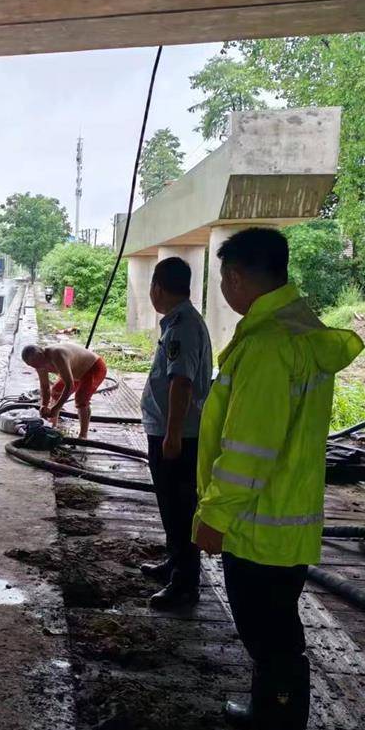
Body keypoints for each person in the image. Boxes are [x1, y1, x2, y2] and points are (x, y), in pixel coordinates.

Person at [192, 227, 362, 730]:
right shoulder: (297, 328)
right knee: (275, 631)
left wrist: (214, 514)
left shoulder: (267, 345)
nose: (224, 288)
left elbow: (248, 448)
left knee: (272, 639)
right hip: (283, 514)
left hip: (257, 520)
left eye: (223, 278)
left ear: (238, 277)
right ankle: (267, 714)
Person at [139, 256, 212, 610]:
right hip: (175, 432)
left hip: (178, 437)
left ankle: (185, 585)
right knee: (171, 507)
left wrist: (172, 436)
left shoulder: (181, 326)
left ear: (158, 288)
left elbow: (180, 383)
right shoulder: (180, 322)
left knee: (179, 508)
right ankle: (175, 565)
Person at [21, 341, 108, 439]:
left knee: (81, 399)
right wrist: (44, 405)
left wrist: (56, 407)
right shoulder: (38, 362)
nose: (38, 368)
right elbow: (45, 387)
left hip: (93, 367)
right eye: (33, 366)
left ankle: (83, 435)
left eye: (37, 364)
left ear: (41, 355)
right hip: (75, 373)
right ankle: (52, 427)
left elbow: (69, 385)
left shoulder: (57, 355)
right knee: (56, 392)